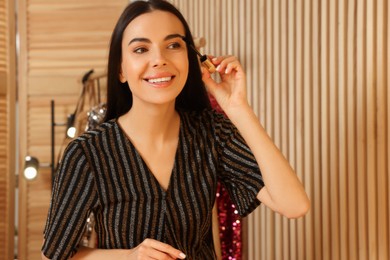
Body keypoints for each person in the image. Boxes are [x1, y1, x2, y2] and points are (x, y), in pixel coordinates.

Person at [41, 0, 310, 259]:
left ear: (191, 58)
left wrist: (238, 107)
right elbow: (54, 256)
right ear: (121, 69)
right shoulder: (87, 153)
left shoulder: (212, 133)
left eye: (173, 45)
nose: (159, 59)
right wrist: (128, 256)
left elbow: (294, 205)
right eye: (140, 49)